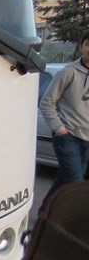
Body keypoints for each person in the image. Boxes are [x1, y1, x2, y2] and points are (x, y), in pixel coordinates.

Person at [38, 29, 89, 214]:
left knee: (65, 179)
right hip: (68, 136)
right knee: (75, 182)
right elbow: (46, 102)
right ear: (82, 46)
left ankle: (45, 213)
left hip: (87, 138)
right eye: (88, 44)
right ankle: (70, 221)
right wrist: (60, 129)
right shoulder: (68, 72)